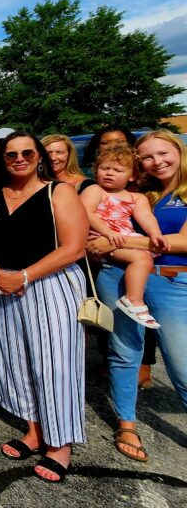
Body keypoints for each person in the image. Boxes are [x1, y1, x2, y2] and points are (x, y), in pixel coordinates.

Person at [0, 131, 88, 483]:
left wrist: (23, 277)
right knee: (18, 360)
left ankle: (60, 444)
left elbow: (74, 248)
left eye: (27, 152)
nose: (20, 159)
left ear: (39, 155)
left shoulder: (60, 191)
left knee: (56, 365)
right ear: (3, 159)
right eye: (11, 155)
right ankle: (35, 430)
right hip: (2, 284)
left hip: (49, 285)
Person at [90, 130, 187, 463]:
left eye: (163, 153)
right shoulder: (138, 191)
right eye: (147, 156)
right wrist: (109, 241)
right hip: (118, 273)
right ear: (138, 165)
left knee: (181, 363)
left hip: (171, 282)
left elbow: (182, 243)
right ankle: (126, 423)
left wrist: (116, 242)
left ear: (179, 150)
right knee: (124, 351)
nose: (156, 161)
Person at [81, 146, 167, 328]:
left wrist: (155, 233)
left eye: (118, 170)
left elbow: (146, 217)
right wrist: (107, 232)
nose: (109, 173)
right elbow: (86, 213)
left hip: (122, 237)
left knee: (144, 258)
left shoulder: (136, 197)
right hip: (102, 237)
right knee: (142, 257)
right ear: (96, 171)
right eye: (104, 168)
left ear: (132, 176)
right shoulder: (95, 190)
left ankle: (134, 298)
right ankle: (133, 300)